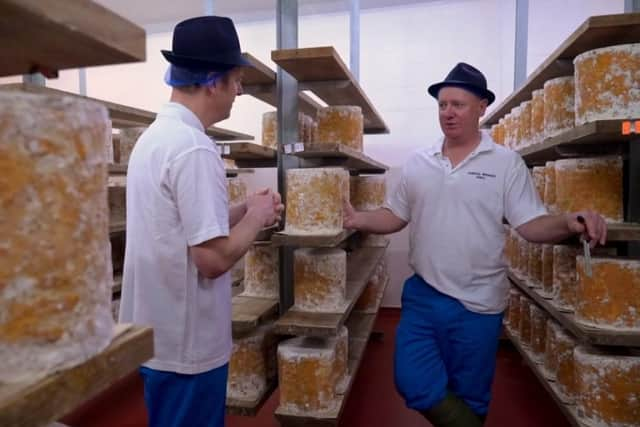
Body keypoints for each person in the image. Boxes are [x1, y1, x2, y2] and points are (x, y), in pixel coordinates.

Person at [343, 62, 607, 427]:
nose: (448, 113)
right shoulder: (420, 162)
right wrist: (358, 219)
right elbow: (394, 215)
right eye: (442, 105)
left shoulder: (506, 164)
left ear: (482, 107)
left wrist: (567, 221)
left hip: (478, 301)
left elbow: (529, 224)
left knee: (470, 395)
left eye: (458, 105)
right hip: (424, 295)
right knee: (413, 383)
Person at [118, 16, 284, 427]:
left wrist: (242, 209)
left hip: (158, 334)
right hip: (188, 344)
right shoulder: (193, 149)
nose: (240, 90)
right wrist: (260, 218)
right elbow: (211, 259)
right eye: (236, 80)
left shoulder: (155, 139)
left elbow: (179, 227)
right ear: (213, 82)